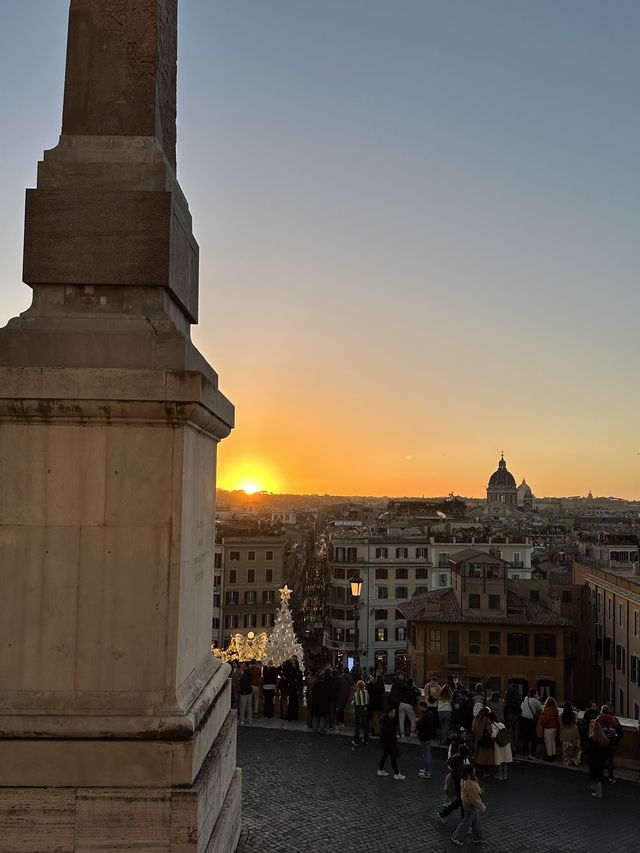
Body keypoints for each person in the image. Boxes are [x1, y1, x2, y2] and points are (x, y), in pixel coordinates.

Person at [450, 764, 486, 846]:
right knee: (467, 821)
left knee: (475, 821)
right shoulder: (470, 783)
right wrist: (481, 806)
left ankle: (478, 837)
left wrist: (479, 790)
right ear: (469, 773)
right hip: (470, 804)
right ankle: (456, 837)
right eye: (473, 770)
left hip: (467, 803)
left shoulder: (464, 780)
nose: (474, 771)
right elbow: (474, 798)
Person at [437, 744, 472, 825]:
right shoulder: (459, 764)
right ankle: (464, 822)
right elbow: (459, 777)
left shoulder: (455, 758)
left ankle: (443, 814)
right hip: (458, 784)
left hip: (454, 782)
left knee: (459, 802)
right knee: (462, 801)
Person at [595, 704, 624, 783]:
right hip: (611, 744)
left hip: (601, 743)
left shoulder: (598, 719)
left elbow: (594, 732)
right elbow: (621, 732)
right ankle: (611, 777)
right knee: (610, 760)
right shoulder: (614, 719)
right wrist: (615, 741)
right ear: (609, 711)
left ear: (601, 712)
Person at [377, 707, 405, 780]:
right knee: (393, 758)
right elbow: (388, 733)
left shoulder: (386, 720)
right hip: (389, 743)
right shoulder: (387, 722)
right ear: (389, 713)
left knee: (385, 756)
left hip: (386, 742)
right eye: (393, 712)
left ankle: (380, 770)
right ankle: (397, 774)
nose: (395, 714)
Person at [587, 720, 609, 798]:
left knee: (595, 777)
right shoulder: (604, 739)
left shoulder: (592, 740)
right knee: (598, 776)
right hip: (601, 761)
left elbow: (589, 750)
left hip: (594, 761)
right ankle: (595, 789)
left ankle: (598, 793)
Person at [520, 688, 543, 759]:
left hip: (523, 718)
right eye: (537, 693)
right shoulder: (536, 701)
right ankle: (533, 752)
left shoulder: (526, 698)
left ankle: (525, 751)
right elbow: (541, 710)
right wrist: (538, 700)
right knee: (533, 737)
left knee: (525, 736)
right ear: (534, 694)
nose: (538, 695)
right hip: (531, 720)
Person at [472, 706, 495, 777]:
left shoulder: (476, 718)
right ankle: (485, 772)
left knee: (477, 755)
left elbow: (473, 728)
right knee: (484, 758)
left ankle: (476, 769)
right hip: (484, 740)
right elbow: (489, 730)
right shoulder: (487, 719)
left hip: (477, 739)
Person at [490, 711, 513, 780]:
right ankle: (505, 775)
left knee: (499, 760)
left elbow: (493, 736)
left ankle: (500, 775)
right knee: (505, 760)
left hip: (499, 744)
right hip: (506, 744)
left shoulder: (492, 726)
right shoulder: (501, 724)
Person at [416, 700, 436, 778]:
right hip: (429, 736)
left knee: (426, 755)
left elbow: (423, 727)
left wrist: (418, 723)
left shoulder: (425, 716)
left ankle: (427, 772)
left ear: (422, 706)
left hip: (424, 737)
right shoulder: (430, 713)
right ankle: (426, 769)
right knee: (427, 754)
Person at [559, 702, 581, 766]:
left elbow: (560, 725)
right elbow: (576, 720)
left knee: (565, 749)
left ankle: (566, 761)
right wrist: (574, 709)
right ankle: (575, 761)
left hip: (565, 733)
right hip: (574, 732)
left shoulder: (561, 716)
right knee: (575, 748)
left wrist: (559, 734)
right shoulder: (574, 714)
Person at [310, 669, 332, 734]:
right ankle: (321, 730)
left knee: (315, 717)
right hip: (322, 704)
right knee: (322, 718)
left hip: (315, 704)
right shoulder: (324, 686)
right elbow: (327, 695)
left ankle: (314, 730)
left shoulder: (315, 686)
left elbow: (312, 695)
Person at [538, 696, 560, 761]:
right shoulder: (555, 709)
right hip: (554, 728)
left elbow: (546, 719)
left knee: (548, 742)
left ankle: (549, 756)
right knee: (553, 742)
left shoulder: (547, 709)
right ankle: (553, 755)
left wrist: (542, 719)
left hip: (548, 728)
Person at [503, 683, 522, 752]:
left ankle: (512, 747)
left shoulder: (507, 694)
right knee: (516, 732)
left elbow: (505, 704)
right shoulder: (518, 695)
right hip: (517, 714)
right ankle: (515, 747)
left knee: (510, 732)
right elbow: (520, 704)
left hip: (509, 714)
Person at [352, 679, 369, 746]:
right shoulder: (366, 692)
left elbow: (354, 702)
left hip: (358, 709)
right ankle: (366, 739)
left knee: (357, 725)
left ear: (358, 686)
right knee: (365, 725)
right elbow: (367, 701)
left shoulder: (356, 693)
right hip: (364, 708)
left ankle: (356, 741)